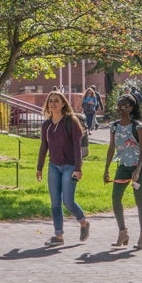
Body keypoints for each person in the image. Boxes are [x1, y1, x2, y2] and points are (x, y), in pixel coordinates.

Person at [36, 91, 90, 247]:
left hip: (70, 167)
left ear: (63, 103)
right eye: (50, 101)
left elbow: (77, 148)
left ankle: (83, 223)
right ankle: (58, 236)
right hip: (53, 166)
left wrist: (78, 168)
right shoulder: (46, 124)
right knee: (55, 203)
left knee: (68, 201)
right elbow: (43, 147)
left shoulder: (71, 121)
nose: (53, 104)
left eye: (56, 101)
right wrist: (39, 168)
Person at [104, 94, 142, 250]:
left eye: (124, 106)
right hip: (123, 166)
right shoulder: (114, 126)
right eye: (118, 106)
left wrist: (137, 170)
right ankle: (122, 232)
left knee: (139, 199)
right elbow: (111, 148)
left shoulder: (138, 127)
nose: (120, 109)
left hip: (139, 166)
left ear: (131, 107)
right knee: (116, 197)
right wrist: (106, 169)